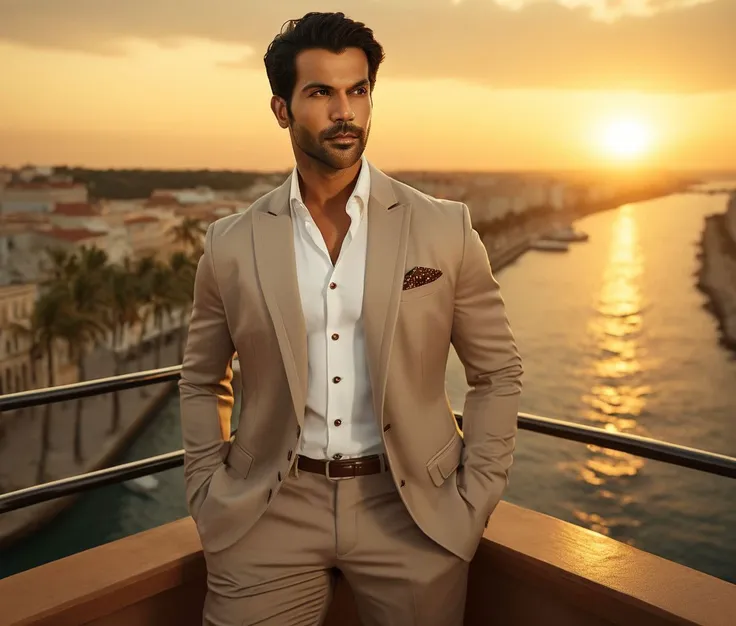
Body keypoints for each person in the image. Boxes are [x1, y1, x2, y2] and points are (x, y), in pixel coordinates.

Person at [179, 11, 523, 626]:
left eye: (358, 90)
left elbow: (496, 373)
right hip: (268, 515)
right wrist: (209, 492)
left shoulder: (445, 228)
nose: (346, 111)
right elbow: (202, 380)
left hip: (414, 513)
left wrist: (474, 499)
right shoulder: (229, 245)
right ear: (282, 109)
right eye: (321, 92)